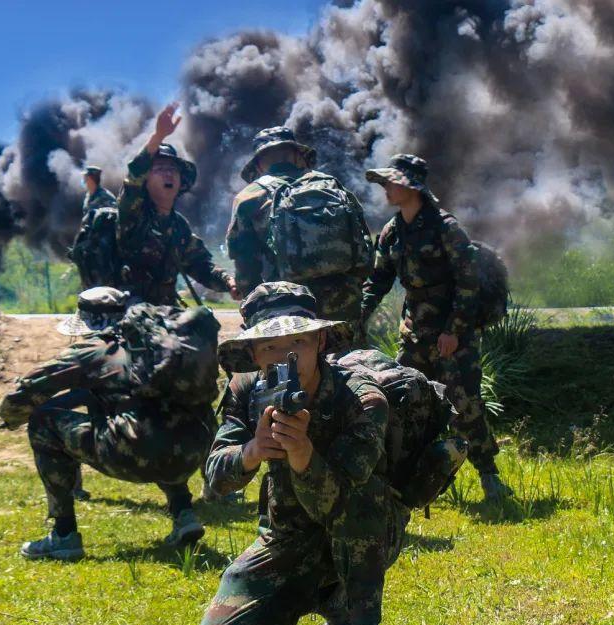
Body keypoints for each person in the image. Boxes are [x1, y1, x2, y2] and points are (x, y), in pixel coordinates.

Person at [195, 282, 408, 625]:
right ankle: (324, 596)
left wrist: (303, 455)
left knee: (362, 502)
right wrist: (253, 451)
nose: (284, 356)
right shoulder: (245, 391)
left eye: (297, 341)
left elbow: (348, 499)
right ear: (254, 353)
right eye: (270, 346)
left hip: (362, 532)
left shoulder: (360, 399)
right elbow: (215, 478)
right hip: (286, 537)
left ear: (320, 340)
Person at [0, 290, 221, 560]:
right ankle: (184, 514)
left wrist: (11, 417)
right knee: (163, 425)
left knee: (42, 424)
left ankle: (64, 535)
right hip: (195, 450)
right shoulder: (162, 347)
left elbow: (27, 391)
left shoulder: (93, 350)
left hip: (136, 456)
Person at [360, 154, 512, 502]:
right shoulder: (393, 231)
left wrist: (454, 331)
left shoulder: (446, 228)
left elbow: (468, 282)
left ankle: (489, 475)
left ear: (411, 187)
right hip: (415, 334)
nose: (386, 189)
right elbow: (378, 280)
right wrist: (359, 315)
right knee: (406, 401)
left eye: (392, 183)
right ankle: (417, 478)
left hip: (452, 335)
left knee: (464, 403)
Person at [225, 127, 370, 323]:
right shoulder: (331, 185)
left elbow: (246, 267)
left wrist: (253, 308)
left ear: (258, 164)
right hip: (344, 302)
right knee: (350, 353)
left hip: (287, 309)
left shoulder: (248, 197)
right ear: (297, 155)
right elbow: (364, 246)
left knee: (295, 354)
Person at [116, 102, 239, 305]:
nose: (168, 173)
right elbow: (133, 177)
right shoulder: (134, 213)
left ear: (182, 181)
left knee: (203, 327)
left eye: (173, 169)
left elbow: (200, 265)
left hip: (165, 311)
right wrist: (158, 137)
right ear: (145, 181)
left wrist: (229, 282)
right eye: (160, 168)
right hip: (129, 311)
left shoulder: (178, 227)